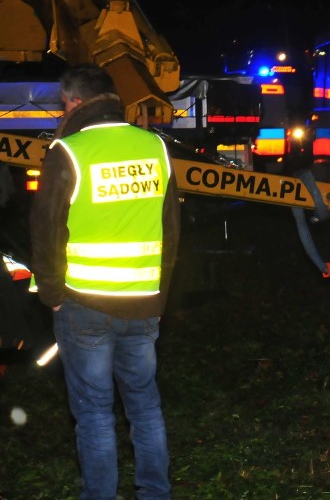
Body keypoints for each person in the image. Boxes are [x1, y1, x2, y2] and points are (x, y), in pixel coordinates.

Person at [29, 63, 180, 499]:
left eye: (63, 103)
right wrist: (160, 293)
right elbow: (171, 228)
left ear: (73, 102)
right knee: (145, 405)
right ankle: (155, 493)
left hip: (84, 305)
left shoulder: (69, 151)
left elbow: (46, 229)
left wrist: (53, 294)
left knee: (95, 412)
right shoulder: (154, 146)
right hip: (143, 302)